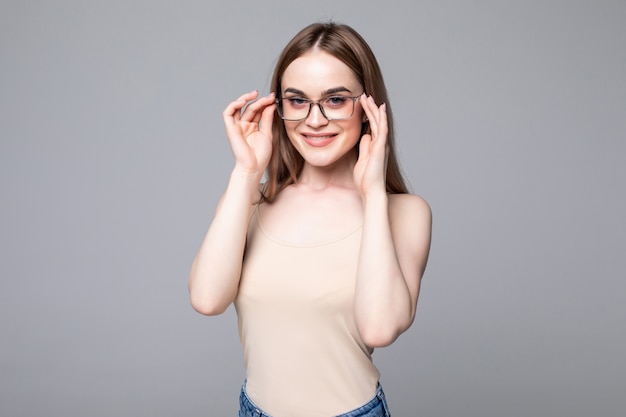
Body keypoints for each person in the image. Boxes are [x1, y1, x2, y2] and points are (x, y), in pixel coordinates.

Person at [188, 21, 432, 417]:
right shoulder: (251, 200)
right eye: (297, 101)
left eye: (335, 100)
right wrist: (246, 173)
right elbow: (206, 299)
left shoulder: (404, 213)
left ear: (368, 107)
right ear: (278, 106)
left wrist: (371, 194)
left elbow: (380, 329)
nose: (314, 120)